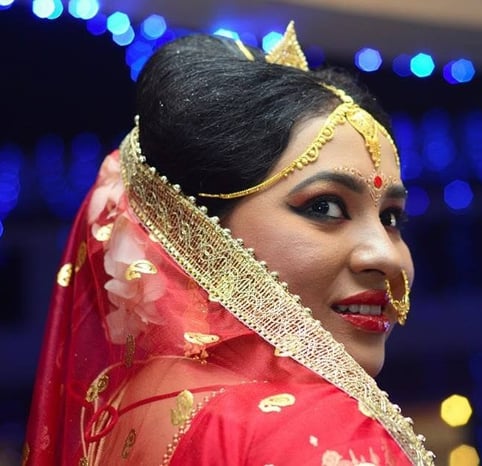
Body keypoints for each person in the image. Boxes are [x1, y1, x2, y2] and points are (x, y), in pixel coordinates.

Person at [23, 21, 435, 465]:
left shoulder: (122, 417)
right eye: (325, 208)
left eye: (392, 217)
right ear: (194, 231)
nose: (388, 257)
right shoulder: (316, 432)